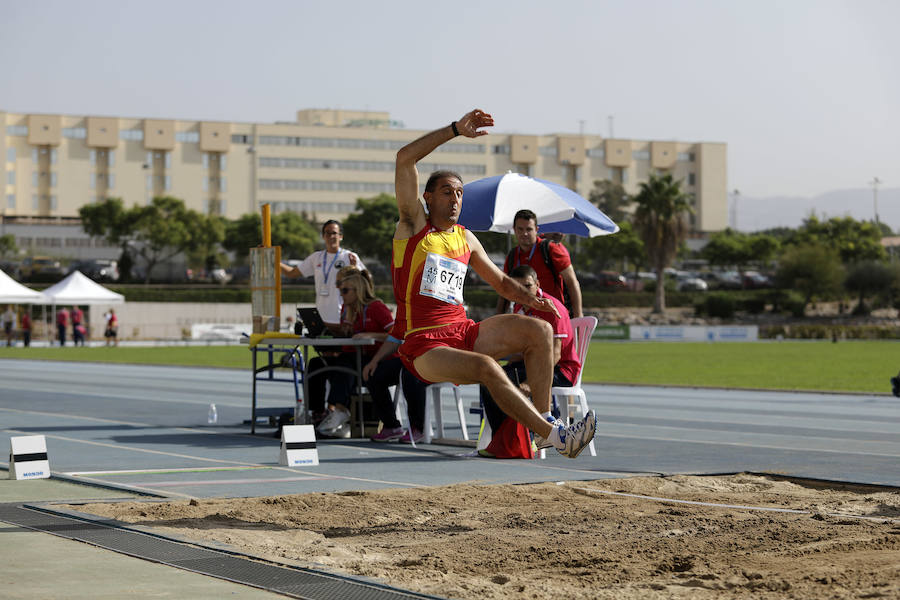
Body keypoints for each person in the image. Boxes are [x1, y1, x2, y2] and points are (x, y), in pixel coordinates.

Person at [392, 108, 596, 459]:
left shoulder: (466, 238)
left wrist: (534, 302)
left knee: (539, 333)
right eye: (445, 192)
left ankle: (546, 424)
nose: (455, 199)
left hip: (464, 331)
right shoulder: (413, 227)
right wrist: (456, 129)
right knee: (488, 367)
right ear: (427, 198)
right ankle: (556, 435)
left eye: (458, 193)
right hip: (423, 345)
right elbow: (404, 158)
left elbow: (502, 283)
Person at [480, 265, 582, 456]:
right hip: (529, 364)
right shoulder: (518, 307)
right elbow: (517, 351)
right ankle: (502, 441)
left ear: (537, 284)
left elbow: (555, 356)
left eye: (527, 286)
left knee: (510, 384)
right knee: (488, 380)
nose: (523, 292)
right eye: (518, 288)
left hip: (561, 369)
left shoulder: (553, 308)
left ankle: (526, 440)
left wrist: (529, 383)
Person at [312, 267, 395, 438]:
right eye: (340, 290)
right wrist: (340, 331)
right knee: (316, 364)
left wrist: (371, 334)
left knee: (345, 364)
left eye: (344, 290)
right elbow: (349, 336)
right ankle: (318, 412)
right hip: (354, 356)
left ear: (358, 291)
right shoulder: (346, 310)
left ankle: (340, 410)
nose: (341, 294)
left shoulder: (376, 307)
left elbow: (396, 334)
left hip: (378, 358)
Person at [495, 209, 583, 318]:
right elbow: (505, 289)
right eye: (520, 229)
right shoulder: (512, 256)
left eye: (529, 229)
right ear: (514, 230)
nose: (524, 233)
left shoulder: (551, 249)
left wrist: (578, 314)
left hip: (553, 314)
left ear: (536, 230)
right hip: (525, 318)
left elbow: (572, 282)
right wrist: (497, 318)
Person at [280, 220, 367, 325]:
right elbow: (291, 273)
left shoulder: (349, 257)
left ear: (341, 236)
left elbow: (366, 281)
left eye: (334, 233)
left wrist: (356, 269)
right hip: (321, 319)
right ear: (323, 236)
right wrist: (273, 260)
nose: (331, 236)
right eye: (327, 233)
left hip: (343, 318)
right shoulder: (316, 257)